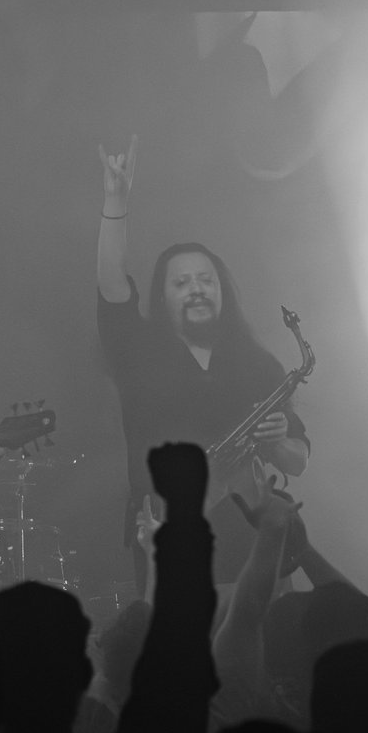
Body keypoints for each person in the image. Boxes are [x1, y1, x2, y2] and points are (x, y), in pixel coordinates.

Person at [94, 136, 310, 582]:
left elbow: (297, 461)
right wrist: (116, 203)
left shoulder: (256, 363)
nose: (196, 288)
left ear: (222, 291)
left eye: (206, 280)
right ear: (163, 295)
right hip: (167, 535)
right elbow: (112, 285)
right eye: (182, 282)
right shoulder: (140, 352)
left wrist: (280, 438)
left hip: (251, 538)